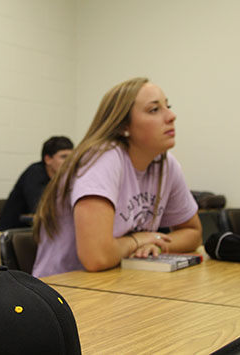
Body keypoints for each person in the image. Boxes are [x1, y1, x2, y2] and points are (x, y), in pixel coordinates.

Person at [32, 77, 202, 277]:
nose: (171, 116)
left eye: (168, 106)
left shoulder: (166, 163)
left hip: (118, 281)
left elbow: (194, 233)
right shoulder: (102, 159)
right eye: (154, 110)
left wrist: (155, 244)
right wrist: (138, 241)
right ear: (123, 126)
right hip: (64, 289)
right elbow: (96, 257)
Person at [0, 136, 73, 230]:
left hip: (34, 230)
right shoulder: (35, 173)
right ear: (48, 159)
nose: (69, 162)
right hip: (14, 233)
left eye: (71, 157)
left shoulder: (64, 177)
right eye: (64, 157)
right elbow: (38, 208)